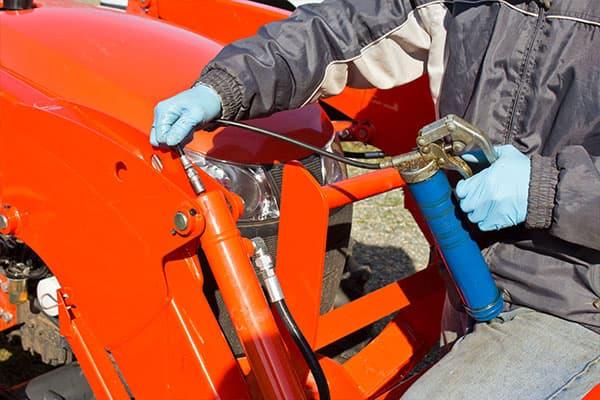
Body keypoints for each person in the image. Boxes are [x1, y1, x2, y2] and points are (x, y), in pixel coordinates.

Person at [151, 0, 600, 398]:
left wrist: (547, 189)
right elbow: (339, 27)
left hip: (576, 306)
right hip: (472, 276)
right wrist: (225, 87)